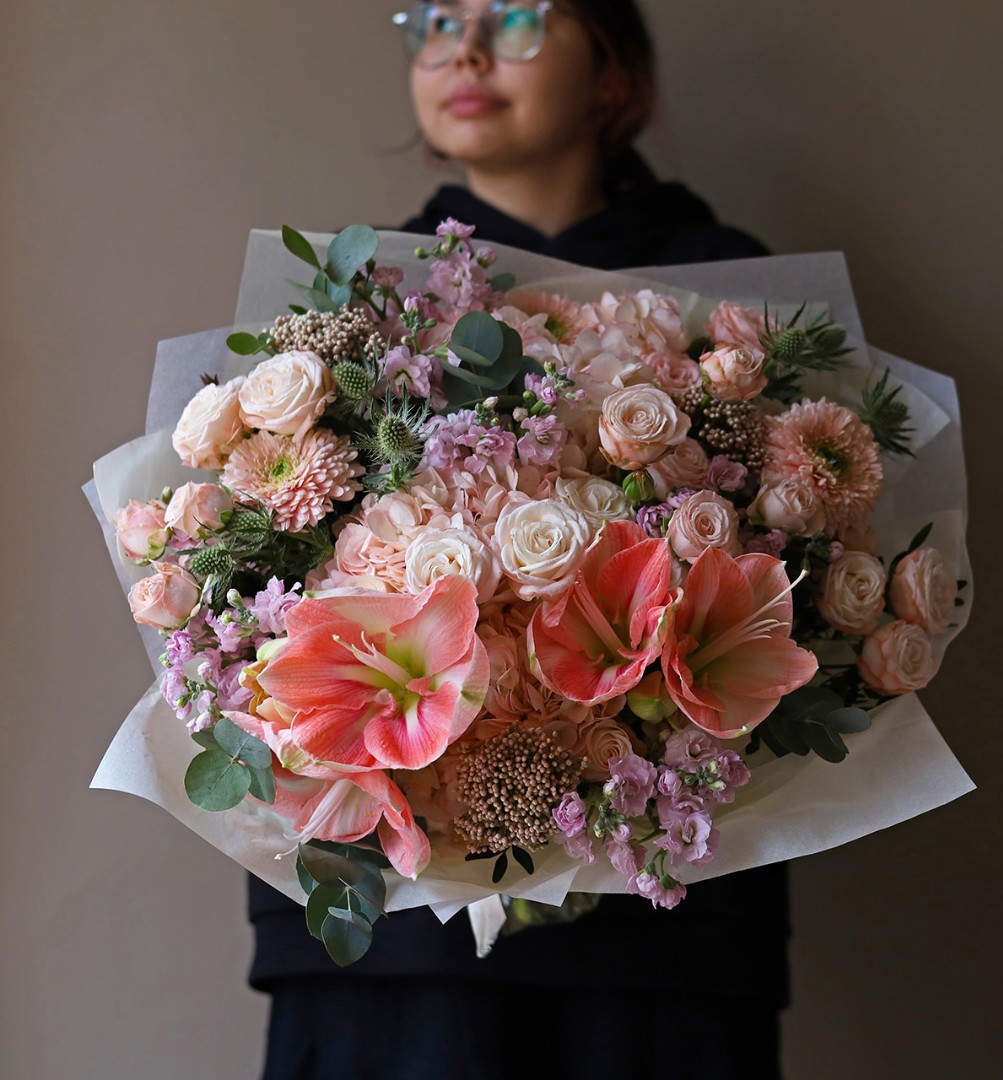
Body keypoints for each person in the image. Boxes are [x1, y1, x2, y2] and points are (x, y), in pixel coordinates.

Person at [250, 3, 787, 1077]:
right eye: (430, 21)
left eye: (515, 17)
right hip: (400, 926)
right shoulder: (369, 300)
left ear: (612, 69)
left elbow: (784, 588)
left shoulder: (722, 287)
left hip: (656, 923)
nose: (463, 49)